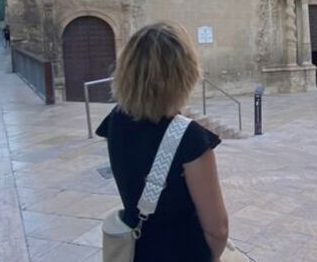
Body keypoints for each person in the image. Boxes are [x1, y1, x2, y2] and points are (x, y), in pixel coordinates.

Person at [96, 23, 228, 262]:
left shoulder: (115, 120)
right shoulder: (191, 139)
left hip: (137, 251)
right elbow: (217, 229)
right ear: (184, 73)